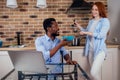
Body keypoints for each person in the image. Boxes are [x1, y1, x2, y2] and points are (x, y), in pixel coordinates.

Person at [75, 2, 110, 80]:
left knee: (93, 72)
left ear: (100, 10)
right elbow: (87, 31)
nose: (93, 11)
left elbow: (101, 35)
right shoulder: (91, 21)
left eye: (96, 9)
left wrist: (85, 32)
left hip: (100, 50)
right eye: (93, 9)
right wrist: (79, 26)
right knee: (94, 75)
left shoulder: (105, 21)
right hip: (90, 50)